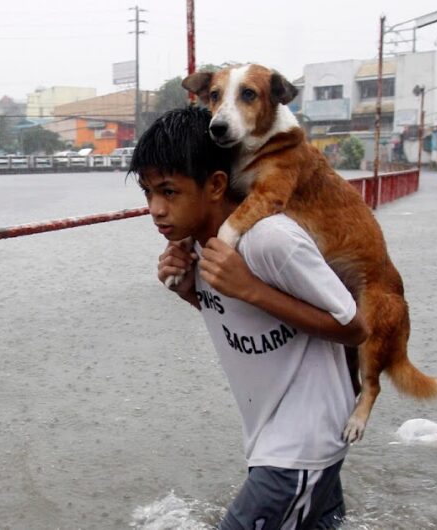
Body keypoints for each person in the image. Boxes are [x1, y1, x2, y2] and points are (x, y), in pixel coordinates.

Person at [130, 107, 368, 530]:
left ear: (217, 184)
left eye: (169, 191)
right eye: (148, 192)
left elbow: (353, 327)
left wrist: (249, 287)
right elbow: (247, 320)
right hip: (278, 438)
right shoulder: (202, 247)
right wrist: (191, 292)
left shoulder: (270, 239)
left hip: (300, 445)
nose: (156, 209)